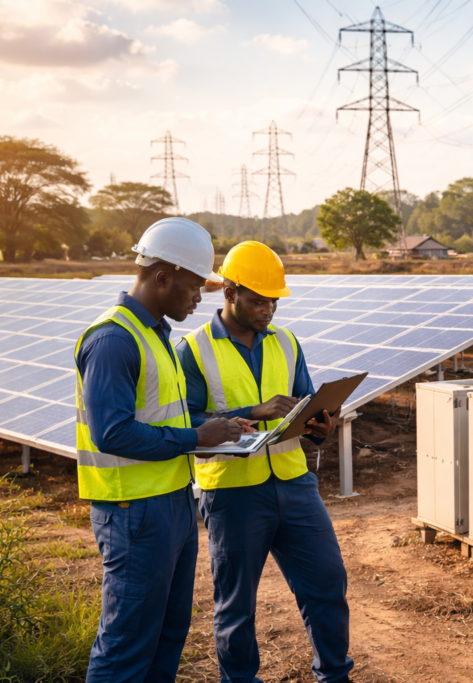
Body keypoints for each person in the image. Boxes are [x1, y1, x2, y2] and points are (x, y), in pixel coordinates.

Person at [175, 240, 352, 683]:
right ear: (229, 292)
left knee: (328, 583)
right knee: (236, 604)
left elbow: (307, 405)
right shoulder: (194, 350)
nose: (268, 309)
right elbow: (184, 423)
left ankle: (335, 674)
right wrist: (254, 411)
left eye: (274, 301)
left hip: (295, 484)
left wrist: (322, 427)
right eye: (257, 300)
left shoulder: (287, 342)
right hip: (233, 493)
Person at [75, 217, 242, 683]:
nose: (200, 297)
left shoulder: (156, 335)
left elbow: (162, 418)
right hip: (132, 511)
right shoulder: (113, 339)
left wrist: (222, 425)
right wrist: (196, 438)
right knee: (127, 644)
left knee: (168, 632)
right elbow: (112, 433)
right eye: (193, 286)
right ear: (162, 277)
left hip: (171, 501)